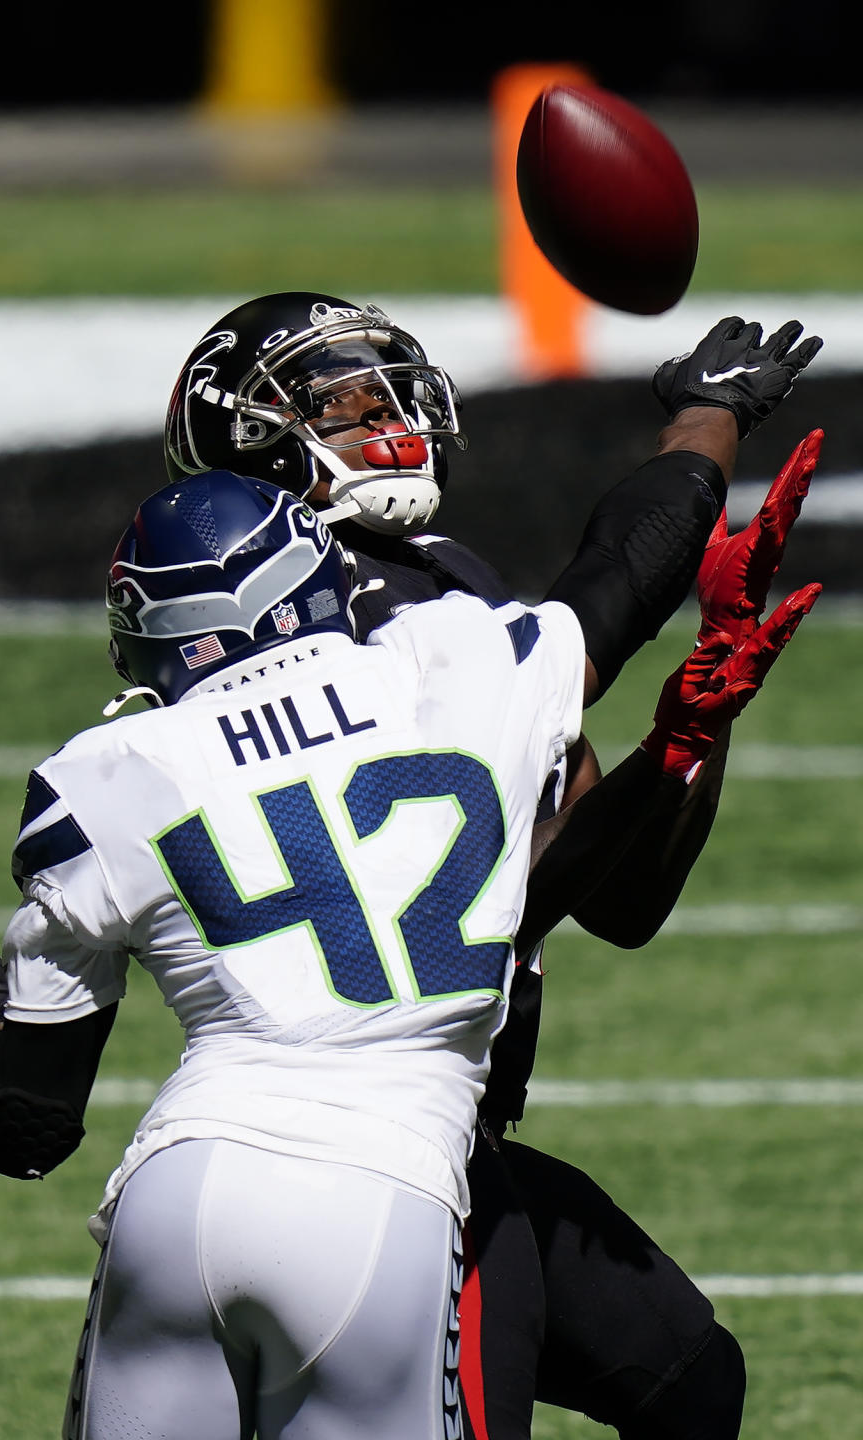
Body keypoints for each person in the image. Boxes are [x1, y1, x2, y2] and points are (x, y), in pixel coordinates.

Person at [0, 460, 816, 1440]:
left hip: (180, 1186)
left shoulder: (102, 777)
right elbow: (620, 572)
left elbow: (28, 1130)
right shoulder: (450, 662)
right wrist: (704, 433)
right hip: (384, 1185)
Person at [156, 293, 824, 1440]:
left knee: (687, 1376)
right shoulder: (301, 638)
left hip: (454, 1141)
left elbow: (616, 899)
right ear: (253, 437)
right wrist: (702, 431)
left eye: (389, 393)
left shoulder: (439, 580)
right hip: (362, 1159)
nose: (389, 420)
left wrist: (690, 732)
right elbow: (499, 892)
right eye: (346, 403)